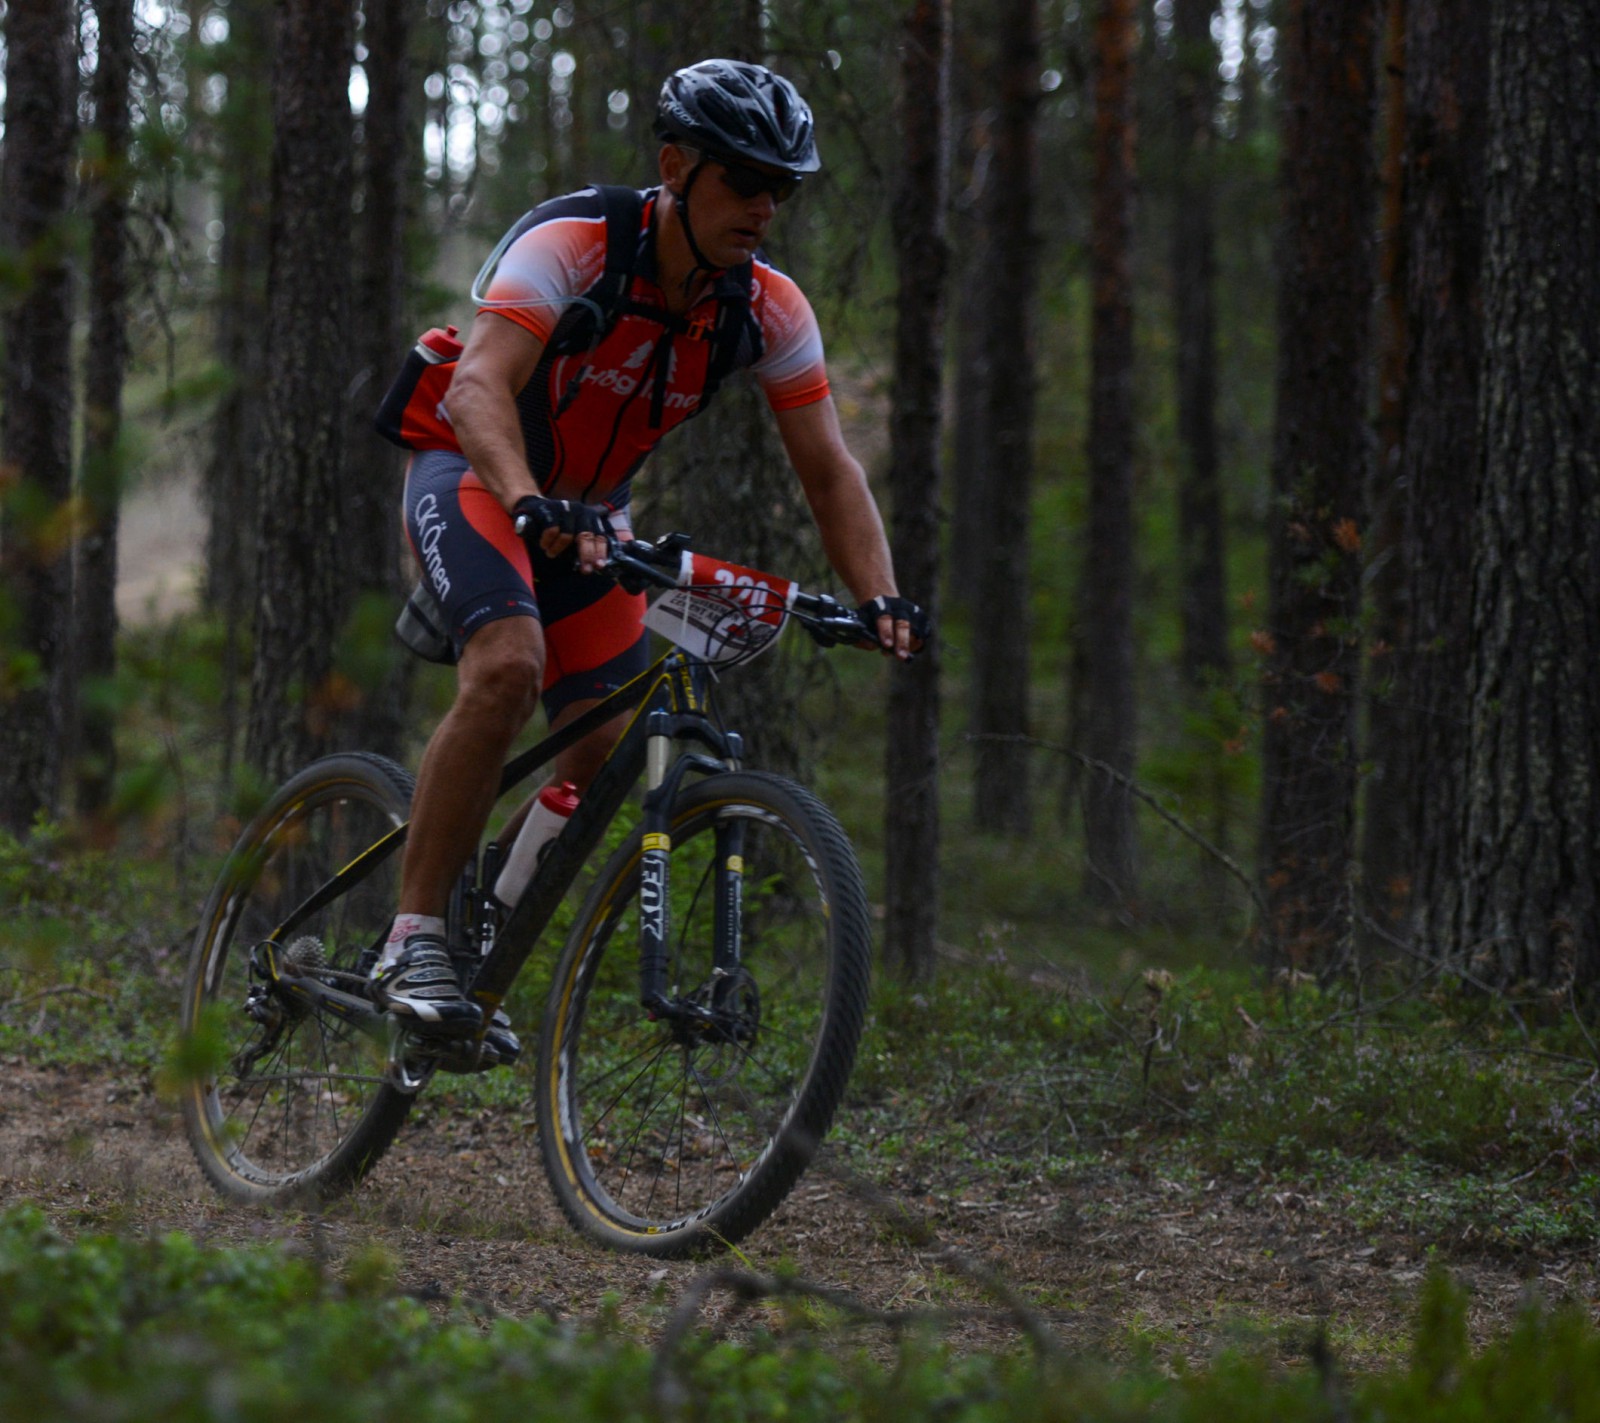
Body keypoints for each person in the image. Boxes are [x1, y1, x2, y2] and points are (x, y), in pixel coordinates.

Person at [372, 58, 930, 1039]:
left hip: (587, 512)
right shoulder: (575, 246)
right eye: (744, 180)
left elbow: (829, 468)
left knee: (599, 746)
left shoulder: (766, 310)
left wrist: (878, 595)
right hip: (475, 467)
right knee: (506, 665)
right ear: (675, 165)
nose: (764, 206)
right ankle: (411, 934)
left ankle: (485, 920)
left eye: (781, 188)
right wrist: (527, 499)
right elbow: (475, 389)